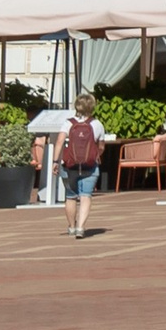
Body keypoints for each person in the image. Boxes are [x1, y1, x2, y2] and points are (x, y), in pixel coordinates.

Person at [58, 100, 109, 237]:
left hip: (69, 165)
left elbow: (59, 142)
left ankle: (72, 227)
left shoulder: (68, 123)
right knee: (86, 196)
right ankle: (81, 227)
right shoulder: (97, 124)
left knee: (70, 196)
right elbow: (102, 146)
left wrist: (54, 161)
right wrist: (94, 156)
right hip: (90, 166)